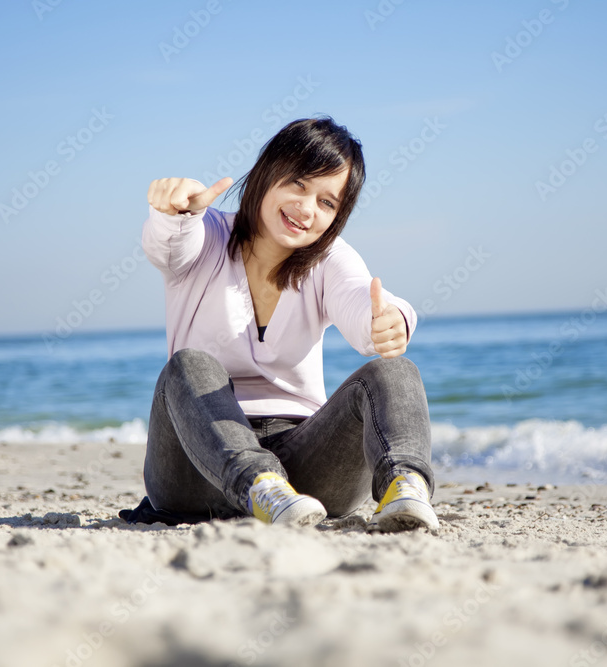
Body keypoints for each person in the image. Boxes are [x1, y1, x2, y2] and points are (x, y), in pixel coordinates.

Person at [128, 115, 438, 533]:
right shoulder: (206, 236)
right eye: (298, 183)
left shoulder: (329, 260)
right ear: (267, 172)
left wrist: (389, 320)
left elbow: (360, 299)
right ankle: (260, 486)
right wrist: (171, 213)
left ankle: (405, 488)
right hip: (194, 470)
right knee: (188, 365)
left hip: (303, 474)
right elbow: (170, 242)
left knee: (395, 371)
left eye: (327, 202)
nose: (307, 209)